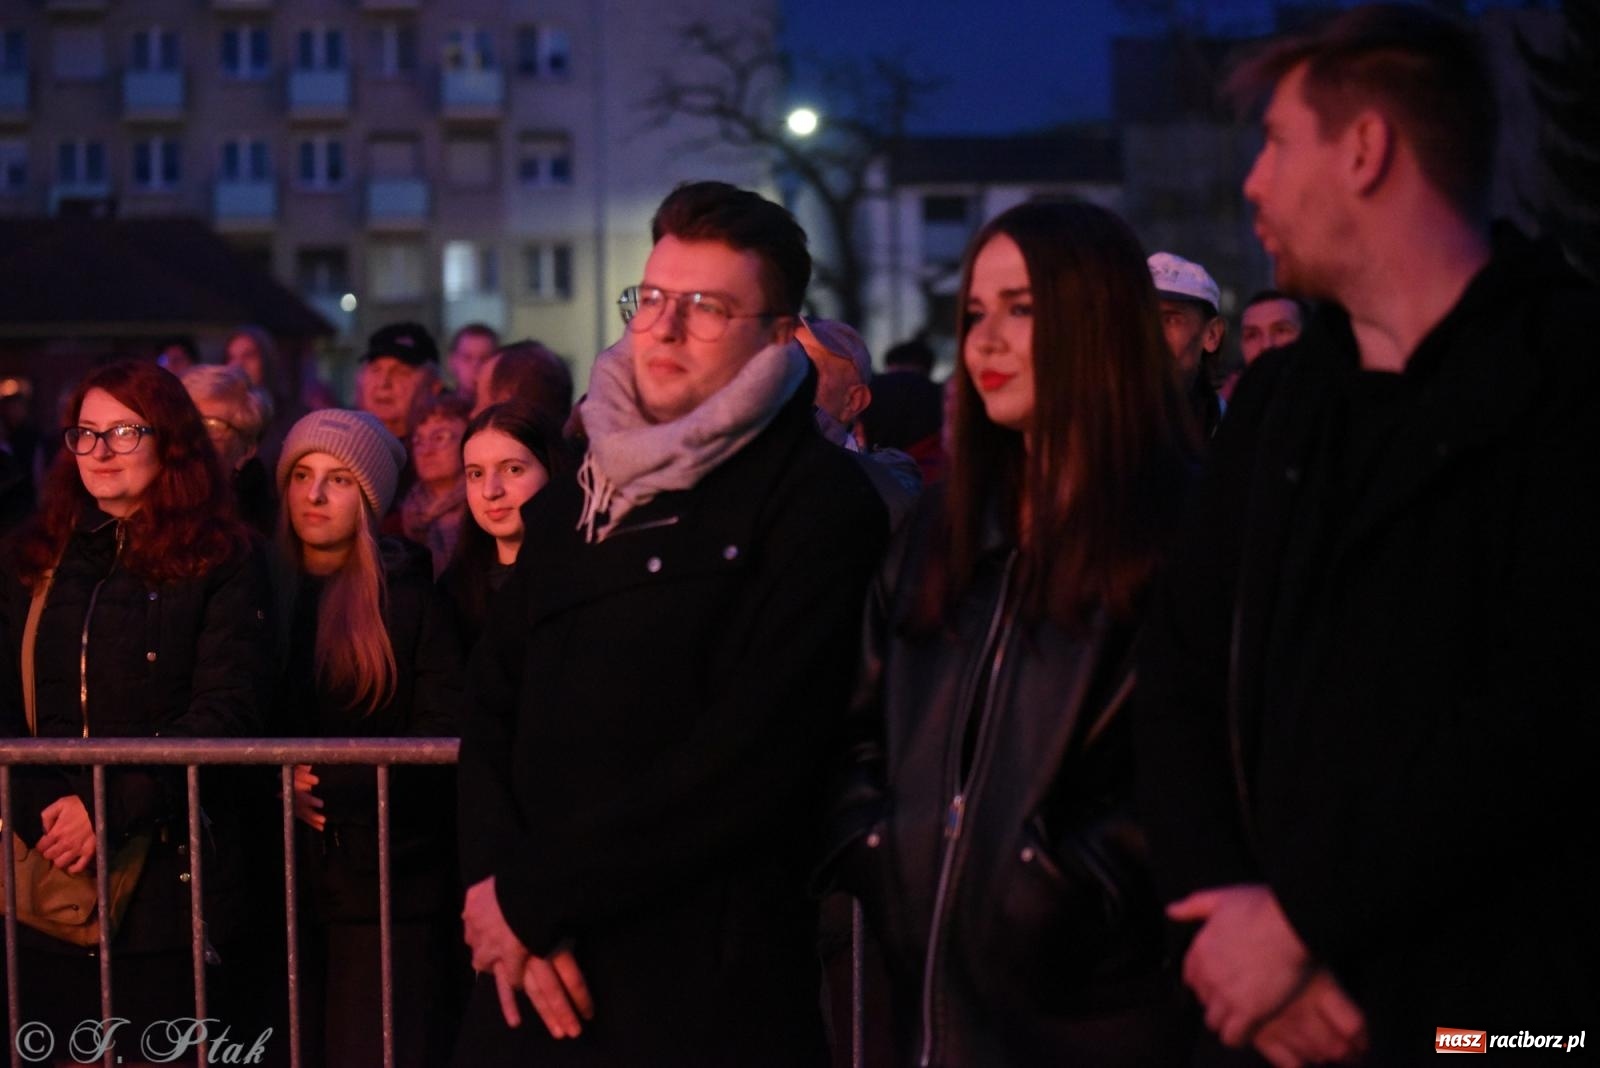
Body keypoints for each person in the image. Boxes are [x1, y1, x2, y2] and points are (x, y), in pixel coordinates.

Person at [1137, 5, 1600, 1065]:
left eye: (1276, 141)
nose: (1254, 183)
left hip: (1507, 1024)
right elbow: (1182, 666)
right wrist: (1227, 922)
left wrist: (1302, 923)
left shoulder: (1568, 383)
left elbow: (1546, 719)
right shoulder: (1279, 408)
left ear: (1365, 149)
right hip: (1260, 1018)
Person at [453, 180, 888, 1067]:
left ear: (778, 335)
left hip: (705, 990)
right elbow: (493, 708)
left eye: (707, 308)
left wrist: (534, 898)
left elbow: (756, 753)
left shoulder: (818, 501)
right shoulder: (578, 494)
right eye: (652, 298)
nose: (663, 328)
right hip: (529, 982)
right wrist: (500, 897)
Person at [825, 201, 1196, 1067]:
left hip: (1100, 1017)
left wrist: (1053, 887)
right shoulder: (939, 530)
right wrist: (886, 852)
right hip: (934, 1004)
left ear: (1098, 322)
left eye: (1022, 309)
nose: (984, 342)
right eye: (974, 313)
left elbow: (1200, 777)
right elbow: (856, 731)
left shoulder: (1186, 527)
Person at [0, 360, 273, 1050]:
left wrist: (107, 806)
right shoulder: (35, 556)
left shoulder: (223, 559)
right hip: (48, 877)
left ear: (170, 441)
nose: (100, 451)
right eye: (85, 433)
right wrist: (44, 811)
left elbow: (227, 709)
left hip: (169, 879)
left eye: (124, 432)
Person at [275, 408, 465, 1068]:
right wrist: (272, 780)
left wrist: (325, 780)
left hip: (386, 880)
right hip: (279, 886)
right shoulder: (258, 593)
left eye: (338, 479)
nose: (315, 494)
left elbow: (441, 730)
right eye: (301, 475)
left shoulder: (409, 600)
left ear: (369, 497)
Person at [437, 404, 562, 650]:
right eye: (476, 474)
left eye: (513, 469)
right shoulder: (451, 592)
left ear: (551, 469)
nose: (490, 491)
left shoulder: (584, 579)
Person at [796, 317, 921, 530]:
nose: (787, 375)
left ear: (854, 401)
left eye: (805, 366)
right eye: (785, 361)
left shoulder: (890, 473)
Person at [182, 363, 277, 536]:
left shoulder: (252, 536)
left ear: (246, 450)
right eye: (186, 422)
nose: (193, 436)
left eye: (211, 425)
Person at [1149, 251, 1227, 437]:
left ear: (1212, 335)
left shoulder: (1236, 432)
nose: (1151, 333)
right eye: (1140, 317)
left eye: (1170, 320)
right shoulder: (1096, 425)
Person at [401, 392, 473, 578]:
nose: (426, 450)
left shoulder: (482, 508)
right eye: (419, 440)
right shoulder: (409, 513)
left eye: (440, 438)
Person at [448, 323, 501, 407]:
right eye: (467, 358)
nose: (476, 367)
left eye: (485, 359)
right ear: (452, 361)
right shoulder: (436, 412)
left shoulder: (510, 412)